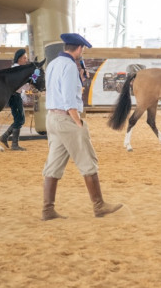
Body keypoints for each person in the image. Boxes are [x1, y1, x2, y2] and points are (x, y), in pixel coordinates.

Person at [41, 33, 122, 221]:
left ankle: (47, 209)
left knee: (53, 164)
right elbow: (69, 99)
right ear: (79, 48)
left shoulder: (53, 64)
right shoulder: (69, 66)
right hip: (67, 119)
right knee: (88, 161)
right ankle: (99, 205)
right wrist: (78, 122)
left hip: (52, 118)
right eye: (82, 50)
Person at [0, 49, 29, 151]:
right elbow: (25, 86)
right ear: (19, 59)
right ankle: (12, 142)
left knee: (20, 119)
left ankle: (6, 137)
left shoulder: (17, 69)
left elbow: (26, 85)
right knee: (19, 119)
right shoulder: (18, 70)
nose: (26, 60)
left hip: (15, 95)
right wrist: (34, 78)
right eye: (24, 58)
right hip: (14, 95)